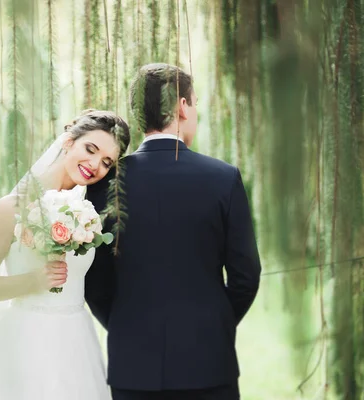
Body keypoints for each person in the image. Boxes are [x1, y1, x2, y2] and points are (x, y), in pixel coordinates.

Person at [85, 63, 262, 400]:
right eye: (194, 103)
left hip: (133, 367)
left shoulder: (106, 184)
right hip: (209, 365)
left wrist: (127, 325)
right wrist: (214, 326)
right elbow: (246, 276)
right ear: (182, 106)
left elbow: (95, 283)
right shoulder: (224, 179)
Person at [0, 110, 131, 400]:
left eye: (106, 162)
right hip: (24, 343)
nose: (95, 165)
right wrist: (34, 281)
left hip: (75, 345)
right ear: (69, 141)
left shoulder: (91, 214)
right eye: (90, 149)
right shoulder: (12, 207)